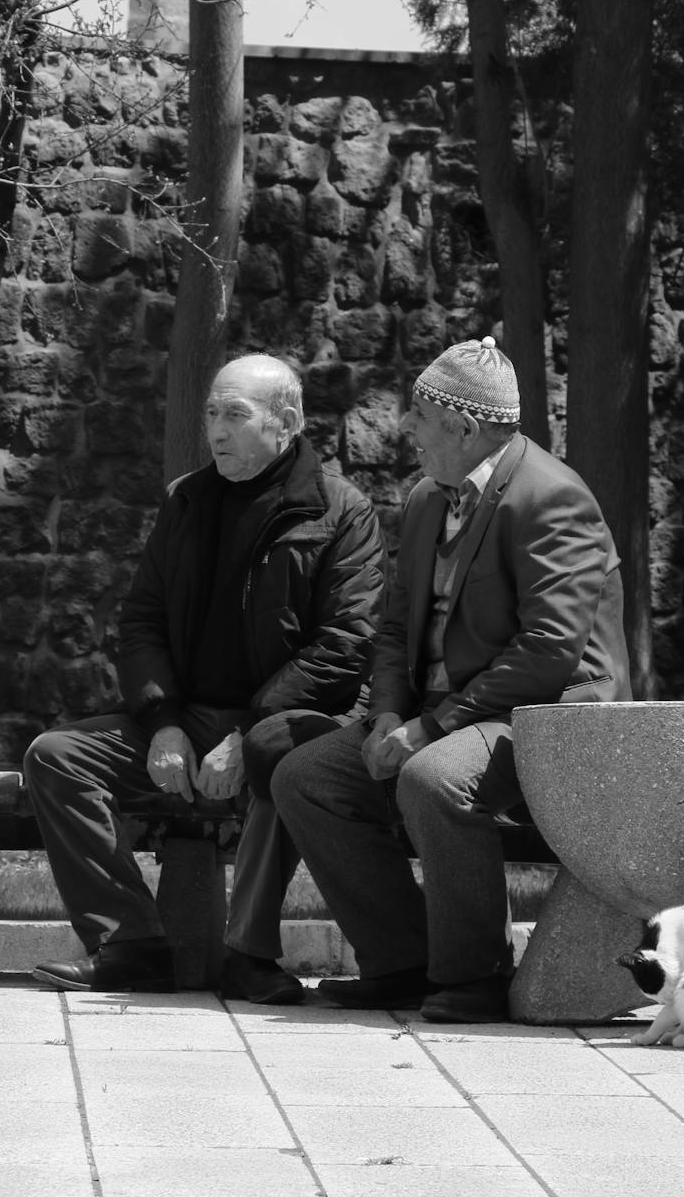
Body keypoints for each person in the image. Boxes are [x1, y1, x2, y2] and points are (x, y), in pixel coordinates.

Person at [273, 337, 630, 1022]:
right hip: (446, 711)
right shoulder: (427, 501)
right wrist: (385, 718)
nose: (406, 429)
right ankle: (405, 961)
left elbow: (550, 651)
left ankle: (476, 974)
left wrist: (430, 727)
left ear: (464, 429)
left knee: (434, 778)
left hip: (549, 716)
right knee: (307, 777)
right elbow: (394, 631)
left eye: (420, 417)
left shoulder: (552, 498)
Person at [26, 354, 384, 1001]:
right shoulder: (186, 500)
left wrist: (247, 734)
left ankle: (251, 955)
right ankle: (131, 944)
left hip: (281, 723)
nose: (216, 430)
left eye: (235, 415)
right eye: (212, 413)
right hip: (184, 724)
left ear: (288, 422)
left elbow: (345, 645)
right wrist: (162, 724)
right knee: (56, 758)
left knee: (288, 763)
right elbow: (142, 621)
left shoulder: (342, 512)